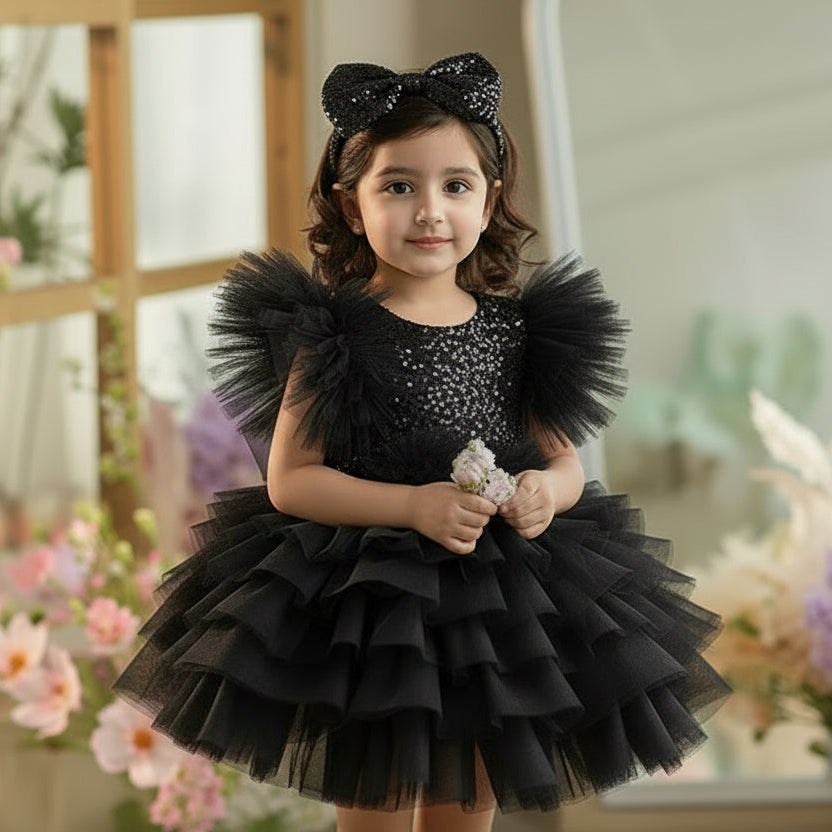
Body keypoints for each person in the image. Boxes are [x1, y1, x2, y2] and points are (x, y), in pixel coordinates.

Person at [115, 53, 730, 832]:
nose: (430, 210)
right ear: (349, 204)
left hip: (499, 610)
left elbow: (564, 458)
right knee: (376, 802)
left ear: (490, 198)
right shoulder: (333, 332)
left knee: (466, 807)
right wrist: (412, 505)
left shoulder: (519, 333)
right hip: (367, 608)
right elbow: (292, 481)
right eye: (398, 186)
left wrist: (548, 491)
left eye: (456, 185)